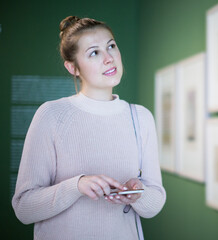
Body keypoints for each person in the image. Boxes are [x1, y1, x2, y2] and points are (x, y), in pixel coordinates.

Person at [12, 16, 166, 240]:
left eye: (111, 46)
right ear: (73, 67)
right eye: (94, 52)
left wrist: (138, 193)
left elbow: (156, 203)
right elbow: (24, 208)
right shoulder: (51, 115)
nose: (109, 58)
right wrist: (77, 186)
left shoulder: (141, 117)